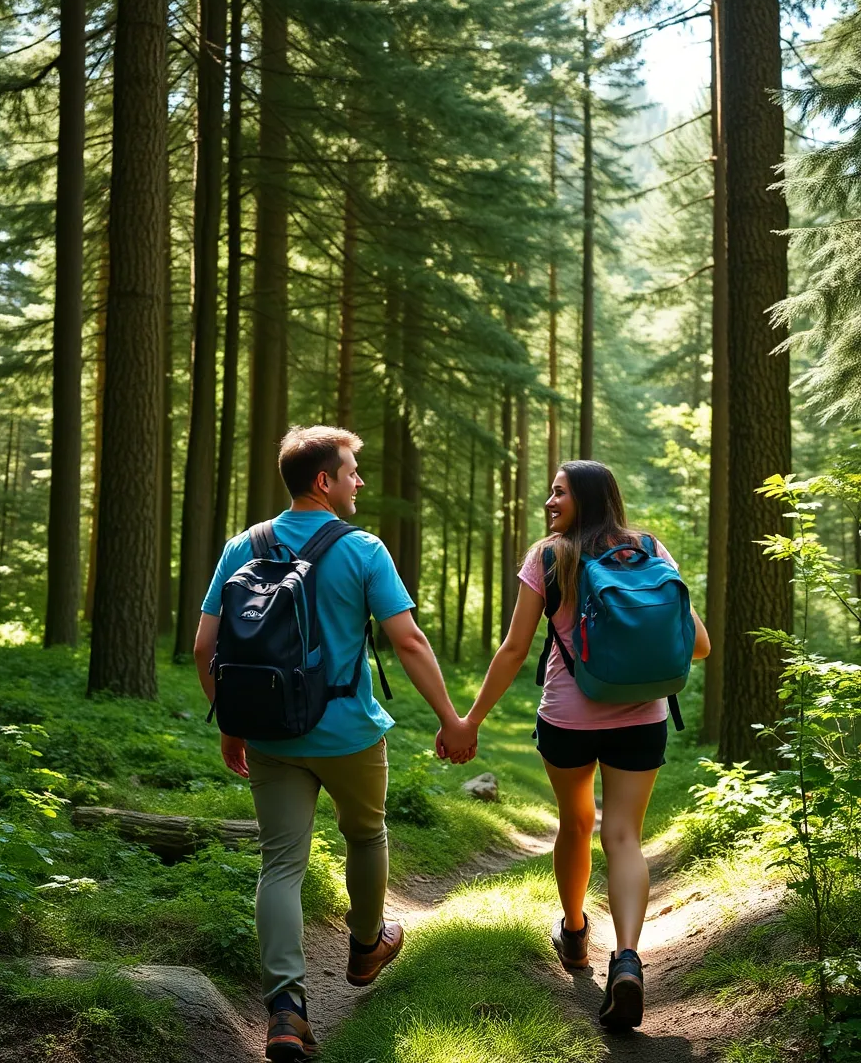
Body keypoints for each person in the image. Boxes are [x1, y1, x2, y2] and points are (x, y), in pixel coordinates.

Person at [194, 425, 476, 1062]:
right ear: (324, 480)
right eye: (352, 472)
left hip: (269, 734)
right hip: (347, 731)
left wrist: (232, 723)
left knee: (281, 864)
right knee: (366, 834)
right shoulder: (364, 549)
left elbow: (205, 648)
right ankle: (366, 946)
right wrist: (452, 720)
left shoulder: (243, 545)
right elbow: (408, 642)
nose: (360, 482)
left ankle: (286, 1012)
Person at [442, 460, 710, 1030]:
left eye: (559, 492)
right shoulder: (651, 550)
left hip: (567, 719)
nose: (549, 501)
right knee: (624, 836)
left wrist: (469, 720)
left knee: (576, 823)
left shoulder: (549, 557)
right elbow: (701, 645)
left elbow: (514, 650)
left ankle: (574, 932)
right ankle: (629, 959)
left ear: (585, 497)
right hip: (643, 719)